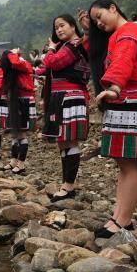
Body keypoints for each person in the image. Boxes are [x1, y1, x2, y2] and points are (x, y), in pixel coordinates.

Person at [79, 0, 137, 238]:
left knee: (129, 163)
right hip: (126, 97)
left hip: (129, 97)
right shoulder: (119, 34)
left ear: (113, 8)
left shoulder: (130, 31)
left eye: (99, 17)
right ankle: (121, 216)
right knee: (124, 163)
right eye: (95, 22)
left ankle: (123, 220)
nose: (99, 24)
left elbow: (123, 60)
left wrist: (114, 87)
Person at [39, 14, 90, 202]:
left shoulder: (74, 45)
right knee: (64, 142)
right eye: (56, 27)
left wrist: (50, 49)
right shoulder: (68, 46)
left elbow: (52, 62)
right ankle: (68, 183)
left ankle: (68, 186)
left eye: (62, 26)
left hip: (69, 96)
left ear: (72, 26)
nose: (59, 30)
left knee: (69, 141)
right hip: (62, 96)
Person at [0, 49, 37, 174]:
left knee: (21, 134)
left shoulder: (22, 63)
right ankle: (13, 161)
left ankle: (21, 164)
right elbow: (2, 62)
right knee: (14, 133)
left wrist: (12, 54)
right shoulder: (11, 67)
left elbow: (16, 63)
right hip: (16, 99)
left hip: (24, 99)